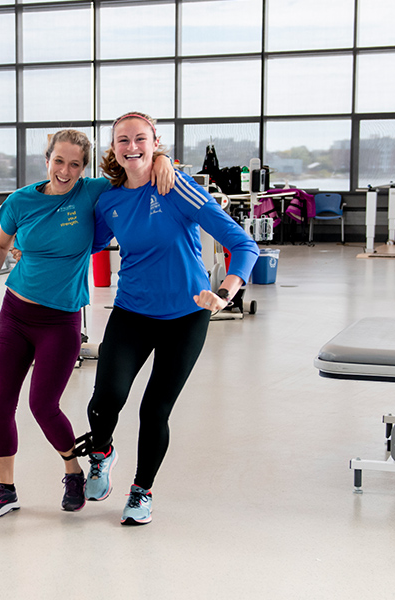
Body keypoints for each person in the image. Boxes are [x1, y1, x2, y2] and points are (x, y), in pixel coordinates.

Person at [0, 129, 177, 519]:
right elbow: (0, 244)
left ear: (84, 168)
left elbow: (135, 166)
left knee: (43, 405)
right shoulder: (21, 201)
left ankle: (73, 471)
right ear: (46, 160)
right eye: (59, 161)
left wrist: (164, 160)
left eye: (75, 164)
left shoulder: (92, 192)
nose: (65, 171)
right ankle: (6, 489)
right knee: (2, 402)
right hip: (15, 313)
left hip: (61, 319)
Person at [80, 112, 259, 525]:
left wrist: (226, 292)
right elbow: (84, 244)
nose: (132, 147)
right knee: (106, 399)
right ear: (113, 148)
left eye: (140, 139)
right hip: (132, 311)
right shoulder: (109, 201)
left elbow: (242, 244)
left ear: (155, 142)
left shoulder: (178, 188)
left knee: (154, 409)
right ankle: (102, 453)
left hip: (186, 316)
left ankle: (141, 491)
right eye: (123, 140)